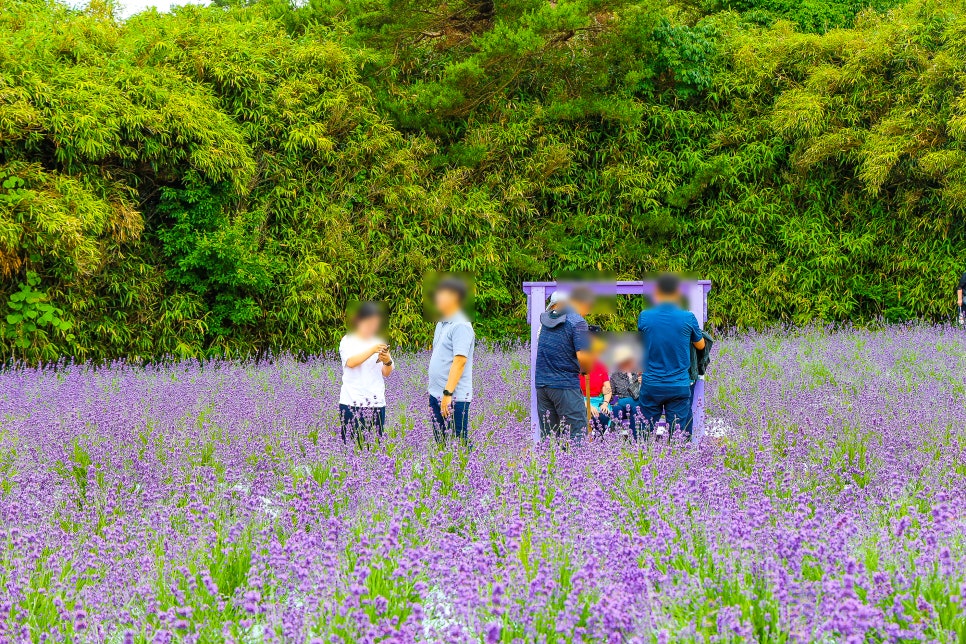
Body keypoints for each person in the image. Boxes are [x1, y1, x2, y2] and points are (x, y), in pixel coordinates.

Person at [637, 273, 706, 442]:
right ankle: (679, 464)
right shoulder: (688, 317)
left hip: (652, 383)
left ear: (657, 293)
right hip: (678, 384)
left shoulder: (645, 316)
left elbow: (644, 340)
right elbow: (701, 345)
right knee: (679, 435)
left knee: (646, 433)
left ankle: (644, 463)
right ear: (677, 293)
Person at [534, 285, 595, 443]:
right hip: (565, 385)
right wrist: (586, 369)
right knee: (578, 431)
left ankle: (549, 467)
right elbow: (583, 357)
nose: (587, 313)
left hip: (542, 385)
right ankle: (577, 468)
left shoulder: (547, 319)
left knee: (549, 436)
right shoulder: (577, 321)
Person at [427, 277, 475, 445]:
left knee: (458, 445)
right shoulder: (442, 323)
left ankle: (472, 471)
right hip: (436, 394)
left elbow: (460, 361)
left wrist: (447, 394)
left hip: (454, 397)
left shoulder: (461, 325)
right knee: (442, 445)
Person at [339, 302, 394, 445]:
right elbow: (350, 362)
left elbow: (386, 372)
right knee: (351, 447)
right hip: (352, 402)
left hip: (376, 402)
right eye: (369, 323)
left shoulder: (379, 341)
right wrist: (372, 350)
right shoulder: (348, 340)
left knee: (375, 446)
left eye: (376, 323)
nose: (373, 327)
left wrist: (387, 360)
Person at [608, 345, 643, 439]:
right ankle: (613, 439)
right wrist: (607, 392)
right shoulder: (615, 376)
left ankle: (635, 440)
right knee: (616, 408)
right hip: (621, 402)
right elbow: (611, 396)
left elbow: (646, 392)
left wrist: (643, 383)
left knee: (636, 409)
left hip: (636, 401)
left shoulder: (639, 373)